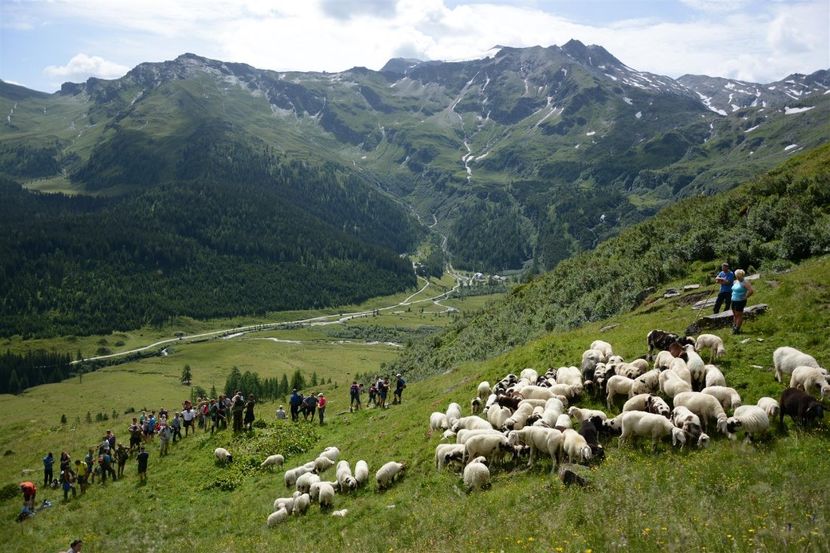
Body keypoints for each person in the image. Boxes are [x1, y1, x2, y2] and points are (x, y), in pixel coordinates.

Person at [731, 268, 754, 334]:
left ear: (741, 275)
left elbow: (751, 291)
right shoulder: (736, 281)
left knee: (739, 315)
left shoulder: (745, 282)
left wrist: (746, 297)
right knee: (734, 314)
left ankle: (737, 329)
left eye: (738, 276)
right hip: (733, 300)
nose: (737, 277)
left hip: (740, 301)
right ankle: (734, 326)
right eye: (736, 276)